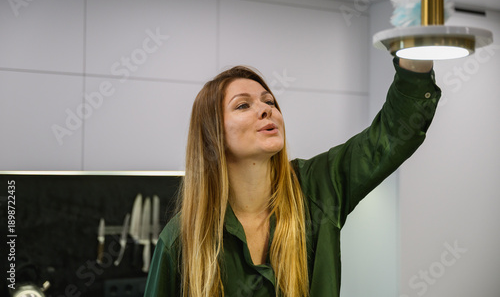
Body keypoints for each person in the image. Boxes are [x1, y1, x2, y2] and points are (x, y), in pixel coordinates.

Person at [144, 57, 441, 297]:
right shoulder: (181, 240)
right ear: (212, 136)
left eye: (270, 102)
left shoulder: (318, 187)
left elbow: (391, 136)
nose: (266, 110)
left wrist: (415, 57)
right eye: (243, 105)